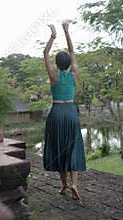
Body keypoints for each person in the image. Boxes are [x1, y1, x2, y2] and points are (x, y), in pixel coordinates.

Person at [42, 20, 86, 201]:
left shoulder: (53, 75)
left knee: (59, 148)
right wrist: (66, 31)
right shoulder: (74, 74)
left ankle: (64, 185)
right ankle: (74, 184)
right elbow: (73, 51)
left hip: (56, 112)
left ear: (57, 64)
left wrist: (52, 36)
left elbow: (45, 54)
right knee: (72, 148)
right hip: (70, 112)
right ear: (69, 63)